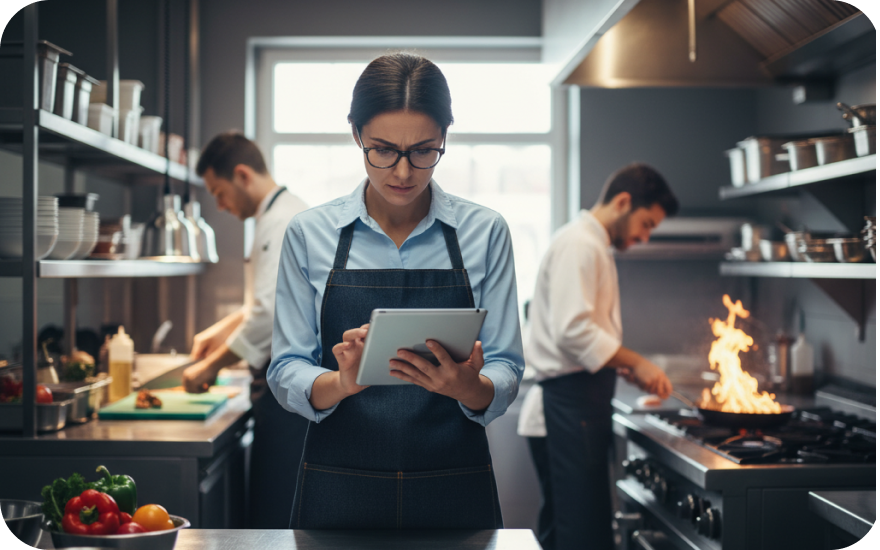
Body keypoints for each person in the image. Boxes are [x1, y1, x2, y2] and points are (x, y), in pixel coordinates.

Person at [267, 52, 524, 530]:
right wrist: (341, 383)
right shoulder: (309, 233)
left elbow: (507, 361)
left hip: (453, 484)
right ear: (356, 134)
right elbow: (286, 368)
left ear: (445, 137)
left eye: (424, 150)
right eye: (383, 150)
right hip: (338, 485)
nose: (403, 172)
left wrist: (474, 388)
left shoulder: (485, 232)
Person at [518, 163, 678, 550]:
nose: (645, 236)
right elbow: (573, 331)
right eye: (647, 223)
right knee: (580, 535)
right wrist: (636, 361)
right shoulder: (581, 244)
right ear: (623, 202)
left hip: (577, 407)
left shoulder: (592, 244)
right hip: (567, 409)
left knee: (570, 529)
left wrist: (621, 364)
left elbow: (584, 336)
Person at [181, 132, 309, 529]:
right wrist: (216, 333)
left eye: (219, 192)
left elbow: (271, 313)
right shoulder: (274, 217)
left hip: (291, 394)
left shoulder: (283, 220)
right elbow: (261, 303)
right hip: (280, 389)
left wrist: (210, 367)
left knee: (277, 513)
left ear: (241, 174)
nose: (219, 205)